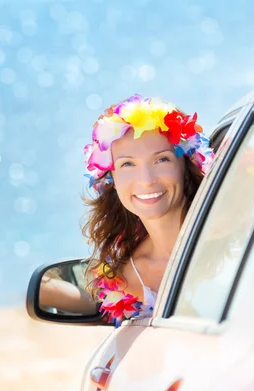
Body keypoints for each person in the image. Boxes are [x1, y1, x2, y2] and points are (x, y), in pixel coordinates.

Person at [80, 93, 214, 326]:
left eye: (161, 160)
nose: (146, 180)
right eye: (128, 164)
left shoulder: (230, 240)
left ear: (186, 166)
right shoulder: (123, 280)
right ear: (111, 178)